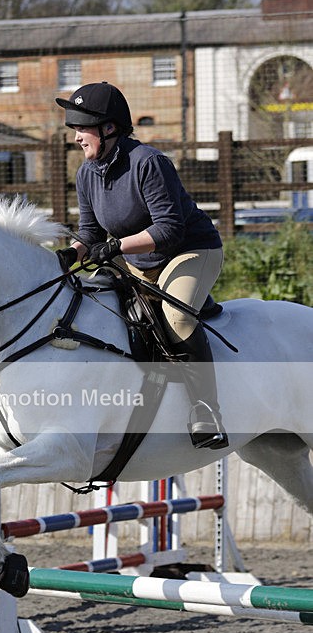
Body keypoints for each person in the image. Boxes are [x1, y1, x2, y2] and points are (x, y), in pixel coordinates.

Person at [55, 81, 228, 450]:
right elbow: (89, 231)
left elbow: (168, 229)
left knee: (177, 316)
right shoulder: (87, 173)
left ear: (109, 127)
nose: (76, 138)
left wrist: (114, 246)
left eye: (82, 129)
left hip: (190, 250)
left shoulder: (149, 162)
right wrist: (72, 253)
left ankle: (206, 411)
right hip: (137, 259)